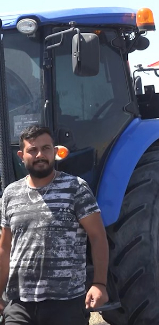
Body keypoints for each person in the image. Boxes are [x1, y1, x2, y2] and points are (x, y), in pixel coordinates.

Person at [0, 125, 109, 325]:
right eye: (32, 150)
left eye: (46, 148)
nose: (40, 155)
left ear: (55, 151)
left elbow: (97, 236)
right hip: (19, 303)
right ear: (21, 155)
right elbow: (5, 247)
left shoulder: (76, 188)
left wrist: (99, 283)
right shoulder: (10, 194)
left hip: (65, 302)